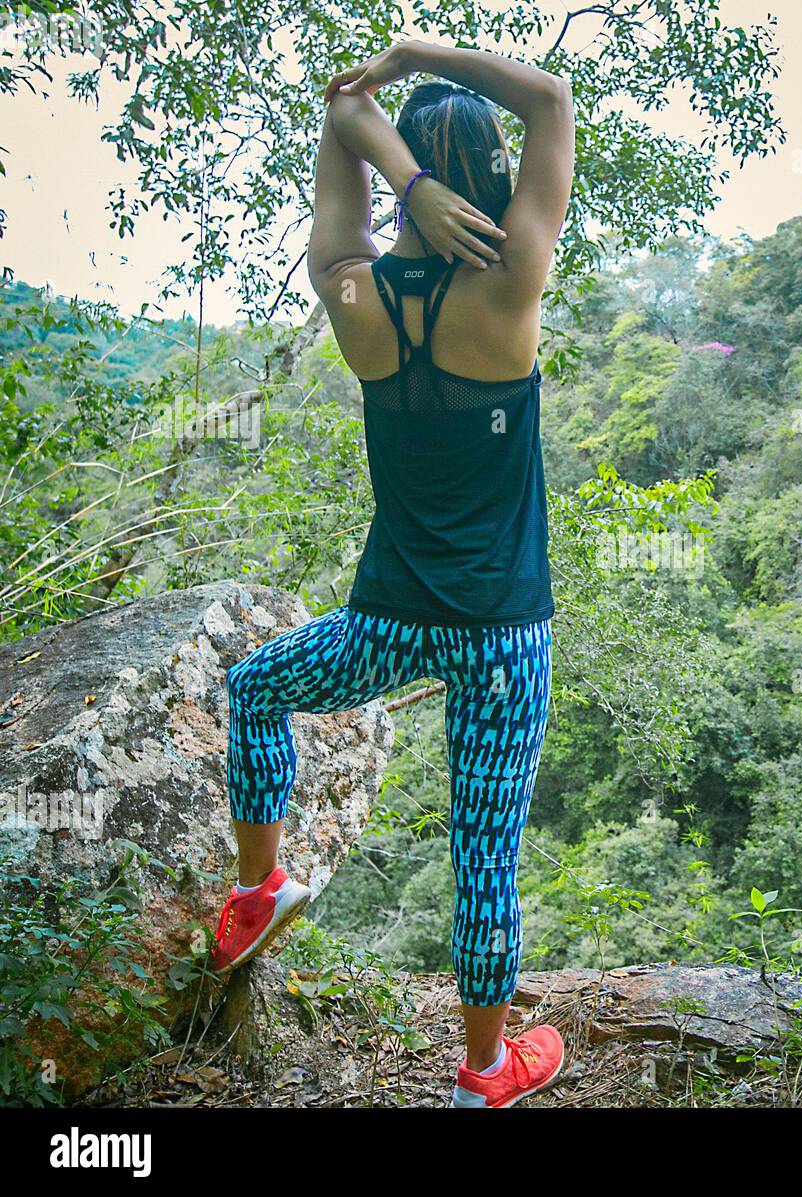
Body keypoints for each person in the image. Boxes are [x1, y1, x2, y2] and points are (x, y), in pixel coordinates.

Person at [209, 38, 574, 1110]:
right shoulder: (510, 282)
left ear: (400, 167)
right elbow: (551, 96)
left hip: (390, 620)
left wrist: (381, 142)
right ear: (494, 173)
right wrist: (419, 50)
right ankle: (481, 1073)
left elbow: (338, 131)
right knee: (485, 854)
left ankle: (256, 883)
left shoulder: (353, 291)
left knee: (253, 688)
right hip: (502, 636)